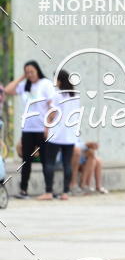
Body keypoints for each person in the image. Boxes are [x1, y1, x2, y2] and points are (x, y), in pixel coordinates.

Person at [4, 60, 54, 198]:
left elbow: (52, 107)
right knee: (26, 161)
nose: (30, 74)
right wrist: (21, 78)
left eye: (32, 71)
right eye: (27, 72)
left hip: (42, 128)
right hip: (28, 129)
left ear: (38, 70)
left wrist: (48, 126)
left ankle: (49, 190)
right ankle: (23, 190)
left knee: (45, 160)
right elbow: (7, 90)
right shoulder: (24, 85)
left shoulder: (46, 84)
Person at [46, 69, 80, 199]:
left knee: (50, 163)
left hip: (56, 134)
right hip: (69, 135)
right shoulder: (75, 96)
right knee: (67, 164)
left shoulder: (57, 95)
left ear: (59, 80)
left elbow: (53, 114)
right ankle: (65, 192)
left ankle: (49, 191)